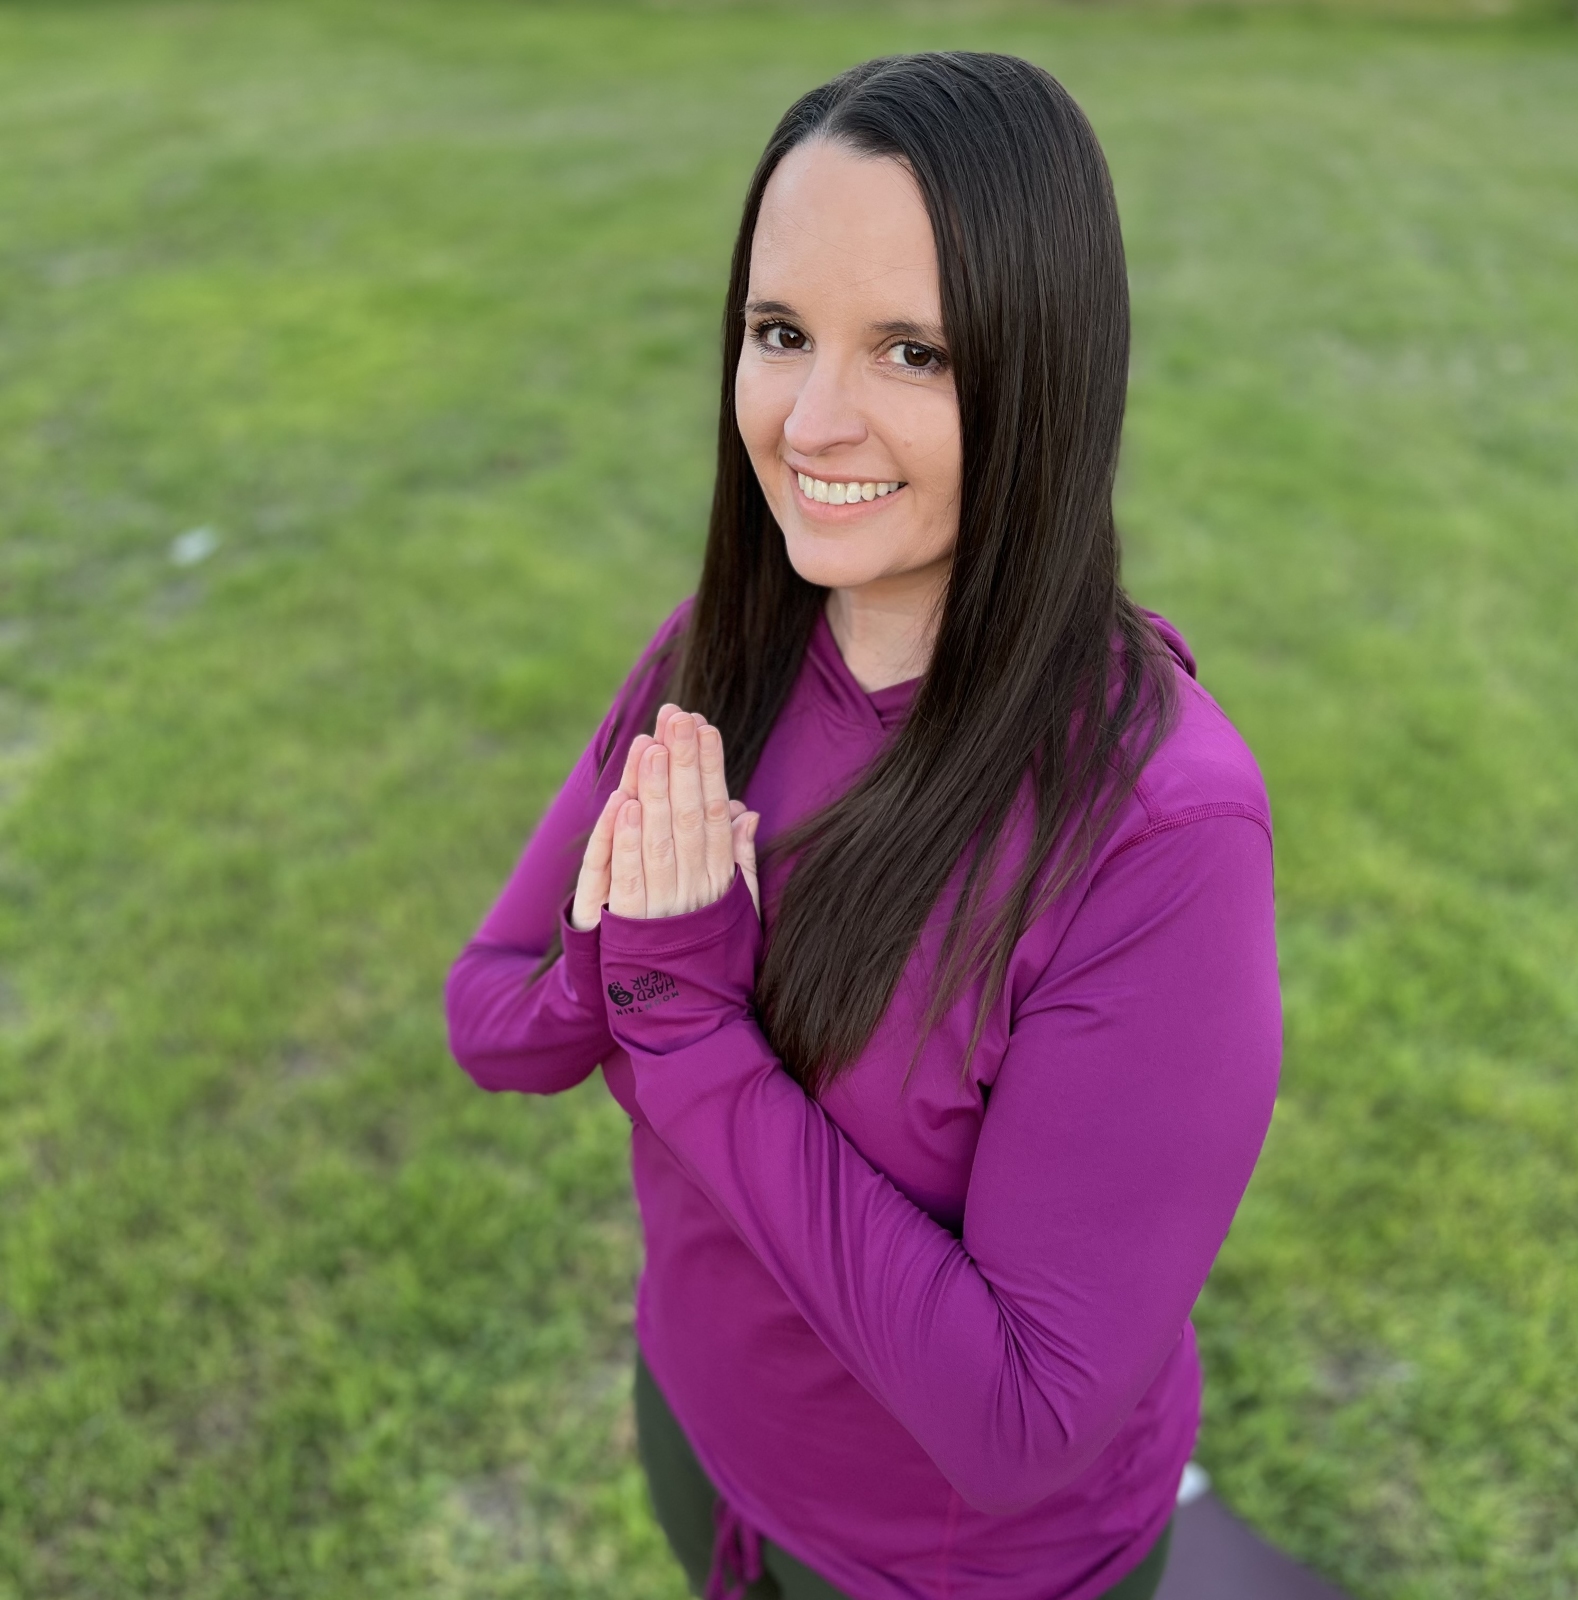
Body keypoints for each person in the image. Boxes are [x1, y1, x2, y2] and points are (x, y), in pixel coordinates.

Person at [446, 51, 1281, 1600]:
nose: (812, 420)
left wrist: (684, 1023)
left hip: (952, 1572)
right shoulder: (721, 660)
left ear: (1048, 371)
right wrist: (618, 964)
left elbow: (1024, 1416)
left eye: (912, 351)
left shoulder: (1164, 833)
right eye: (780, 334)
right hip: (702, 1443)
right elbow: (494, 1019)